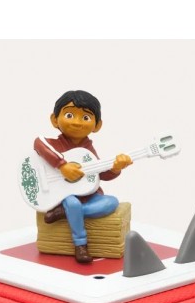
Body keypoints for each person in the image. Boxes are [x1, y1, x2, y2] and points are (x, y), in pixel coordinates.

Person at [34, 90, 132, 263]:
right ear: (54, 119)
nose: (77, 122)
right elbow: (38, 143)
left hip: (89, 197)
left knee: (111, 202)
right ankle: (80, 244)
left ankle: (64, 213)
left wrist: (116, 168)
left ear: (97, 125)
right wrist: (61, 165)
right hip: (62, 196)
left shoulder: (88, 152)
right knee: (72, 203)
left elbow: (99, 174)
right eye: (69, 115)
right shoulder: (54, 144)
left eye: (85, 117)